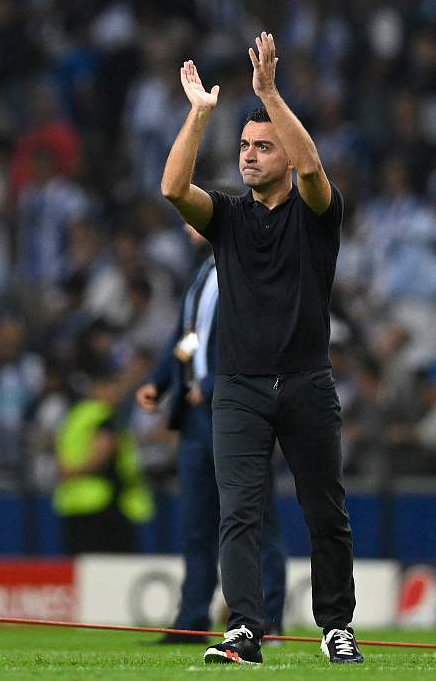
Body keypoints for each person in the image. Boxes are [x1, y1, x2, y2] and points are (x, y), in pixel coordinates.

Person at [160, 33, 361, 665]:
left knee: (324, 511)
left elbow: (312, 171)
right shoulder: (226, 216)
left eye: (261, 145)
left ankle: (336, 626)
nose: (248, 155)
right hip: (240, 387)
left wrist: (269, 95)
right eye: (245, 145)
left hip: (306, 382)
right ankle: (245, 629)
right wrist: (198, 116)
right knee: (238, 512)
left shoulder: (316, 213)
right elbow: (172, 189)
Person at [136, 224, 287, 645]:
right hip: (197, 421)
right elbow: (188, 338)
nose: (186, 226)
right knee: (197, 525)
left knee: (254, 521)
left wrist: (215, 381)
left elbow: (260, 340)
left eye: (191, 216)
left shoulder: (251, 269)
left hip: (238, 413)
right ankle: (192, 618)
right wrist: (162, 381)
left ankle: (267, 619)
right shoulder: (205, 273)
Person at [54, 362, 154, 555]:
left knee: (81, 565)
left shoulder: (75, 415)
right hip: (102, 503)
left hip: (72, 502)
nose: (116, 393)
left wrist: (66, 472)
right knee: (109, 565)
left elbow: (61, 454)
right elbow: (101, 452)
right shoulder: (103, 415)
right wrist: (76, 471)